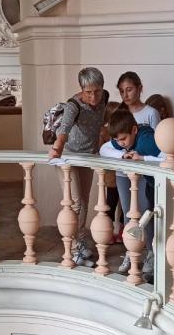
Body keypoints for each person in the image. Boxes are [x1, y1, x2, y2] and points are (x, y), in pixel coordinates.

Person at [49, 67, 109, 265]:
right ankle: (73, 248)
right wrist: (57, 148)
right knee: (74, 202)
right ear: (81, 89)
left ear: (102, 88)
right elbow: (64, 130)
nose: (93, 96)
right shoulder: (73, 105)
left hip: (88, 156)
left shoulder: (105, 98)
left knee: (84, 200)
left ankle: (81, 241)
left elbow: (102, 124)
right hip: (67, 157)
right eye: (88, 92)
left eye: (97, 91)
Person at [102, 109, 163, 280]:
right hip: (147, 183)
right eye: (117, 140)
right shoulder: (121, 141)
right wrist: (122, 154)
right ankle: (133, 250)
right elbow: (103, 149)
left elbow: (169, 156)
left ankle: (152, 255)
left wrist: (143, 159)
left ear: (134, 130)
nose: (120, 143)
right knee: (136, 215)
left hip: (158, 185)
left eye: (123, 139)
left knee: (152, 219)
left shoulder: (146, 141)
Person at [101, 101, 125, 243]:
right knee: (111, 202)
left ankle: (121, 229)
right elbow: (102, 150)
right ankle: (108, 230)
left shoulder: (120, 130)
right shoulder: (104, 131)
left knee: (124, 204)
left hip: (123, 173)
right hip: (111, 175)